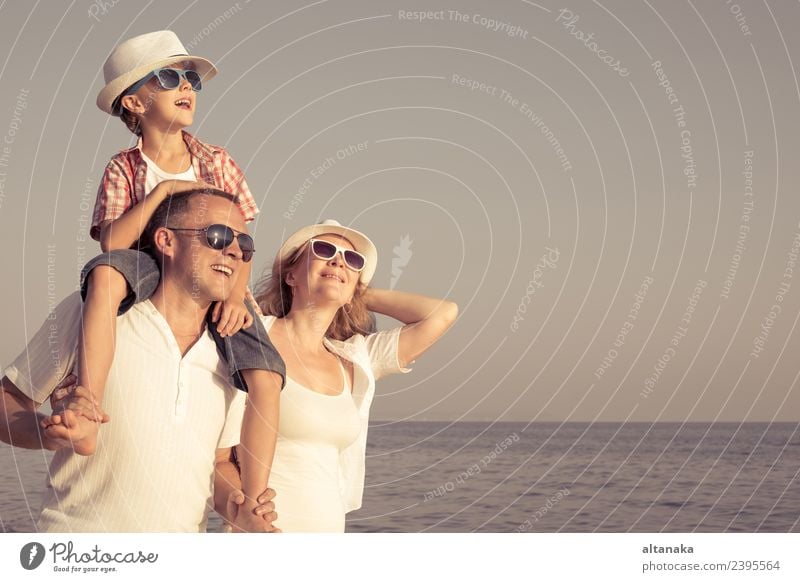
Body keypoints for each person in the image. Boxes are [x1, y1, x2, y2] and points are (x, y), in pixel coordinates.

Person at [81, 30, 284, 519]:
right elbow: (112, 241)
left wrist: (236, 295)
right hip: (149, 262)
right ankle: (88, 401)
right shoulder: (124, 167)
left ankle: (254, 503)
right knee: (106, 276)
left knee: (268, 374)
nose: (188, 85)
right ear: (135, 100)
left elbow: (242, 239)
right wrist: (158, 195)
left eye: (191, 78)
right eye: (170, 77)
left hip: (217, 272)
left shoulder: (217, 160)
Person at [0, 189, 277, 533]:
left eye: (244, 245)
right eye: (218, 236)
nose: (235, 251)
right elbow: (7, 400)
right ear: (166, 241)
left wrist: (238, 508)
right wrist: (49, 435)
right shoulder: (92, 313)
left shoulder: (232, 350)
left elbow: (219, 460)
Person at [247, 220, 458, 531]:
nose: (338, 260)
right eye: (323, 250)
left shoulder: (354, 359)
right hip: (261, 532)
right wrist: (343, 279)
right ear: (290, 275)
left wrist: (353, 289)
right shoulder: (253, 333)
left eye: (352, 260)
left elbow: (442, 314)